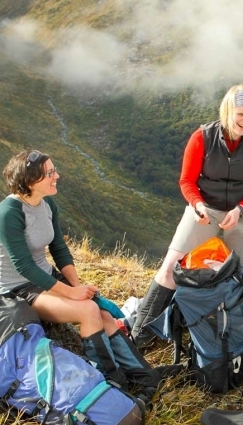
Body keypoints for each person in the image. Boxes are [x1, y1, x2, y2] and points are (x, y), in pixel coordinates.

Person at [0, 150, 160, 400]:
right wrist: (71, 293)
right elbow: (24, 267)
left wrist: (79, 286)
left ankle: (142, 375)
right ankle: (113, 384)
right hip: (21, 287)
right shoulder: (9, 213)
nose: (57, 176)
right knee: (87, 312)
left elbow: (59, 249)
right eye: (50, 173)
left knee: (102, 312)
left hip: (45, 275)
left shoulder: (47, 203)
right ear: (30, 180)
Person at [130, 84, 243, 346]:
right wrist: (197, 205)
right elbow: (187, 180)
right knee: (170, 268)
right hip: (205, 208)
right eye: (241, 114)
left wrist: (241, 209)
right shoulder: (202, 137)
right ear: (228, 111)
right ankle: (141, 333)